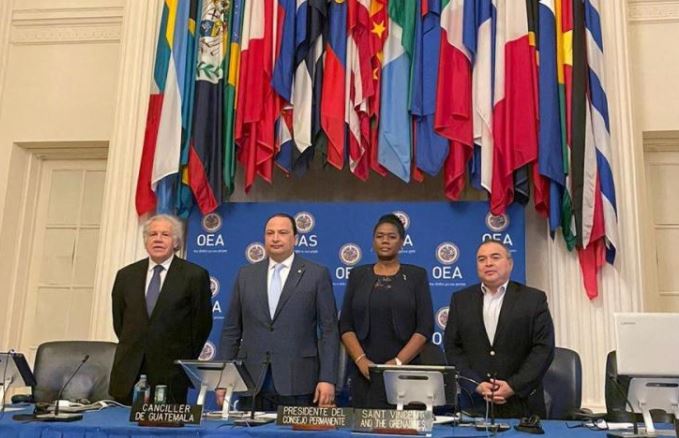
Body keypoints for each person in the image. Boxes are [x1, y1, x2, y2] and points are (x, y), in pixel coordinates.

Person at [219, 213, 339, 409]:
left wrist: (327, 379)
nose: (275, 238)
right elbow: (231, 329)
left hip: (298, 381)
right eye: (270, 233)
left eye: (282, 233)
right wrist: (222, 378)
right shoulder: (246, 275)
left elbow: (329, 331)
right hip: (251, 380)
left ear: (295, 239)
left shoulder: (316, 274)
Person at [444, 239, 555, 418]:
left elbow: (544, 349)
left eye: (495, 257)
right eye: (481, 259)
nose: (488, 263)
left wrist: (513, 386)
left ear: (509, 264)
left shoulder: (533, 299)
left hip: (522, 406)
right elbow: (452, 347)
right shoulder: (461, 300)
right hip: (475, 405)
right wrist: (475, 384)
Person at [109, 214, 213, 404]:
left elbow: (201, 326)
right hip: (128, 373)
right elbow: (120, 322)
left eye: (165, 234)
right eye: (152, 234)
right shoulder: (126, 275)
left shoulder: (194, 276)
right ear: (145, 241)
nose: (157, 239)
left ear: (176, 242)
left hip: (171, 375)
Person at [339, 213, 434, 408]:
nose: (385, 241)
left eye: (391, 237)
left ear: (402, 242)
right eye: (380, 236)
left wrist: (398, 363)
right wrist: (361, 360)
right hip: (364, 372)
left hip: (406, 373)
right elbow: (346, 325)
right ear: (373, 241)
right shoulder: (358, 275)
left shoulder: (416, 275)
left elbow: (425, 326)